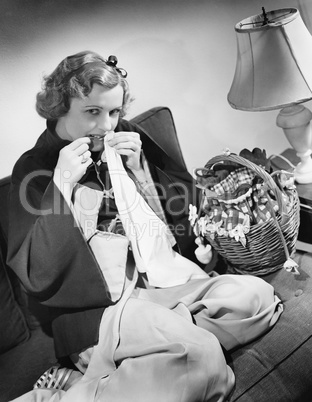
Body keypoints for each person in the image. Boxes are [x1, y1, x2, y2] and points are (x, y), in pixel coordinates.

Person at [7, 50, 283, 402]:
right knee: (201, 358)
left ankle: (155, 352)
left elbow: (184, 215)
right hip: (100, 309)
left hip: (160, 282)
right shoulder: (34, 167)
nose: (107, 126)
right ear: (60, 107)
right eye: (92, 112)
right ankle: (67, 394)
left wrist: (141, 172)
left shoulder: (126, 134)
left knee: (257, 298)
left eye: (114, 111)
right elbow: (36, 273)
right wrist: (61, 185)